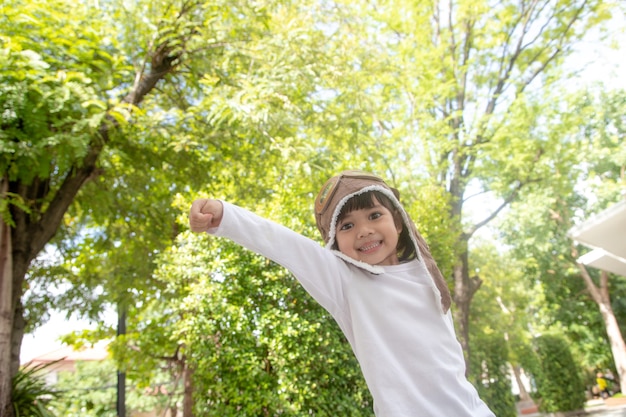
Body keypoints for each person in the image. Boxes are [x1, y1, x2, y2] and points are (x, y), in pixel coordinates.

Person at [189, 170, 495, 416]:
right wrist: (225, 217)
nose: (363, 230)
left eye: (375, 215)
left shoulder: (427, 276)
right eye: (347, 225)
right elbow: (285, 245)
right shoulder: (345, 281)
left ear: (398, 221)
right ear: (335, 242)